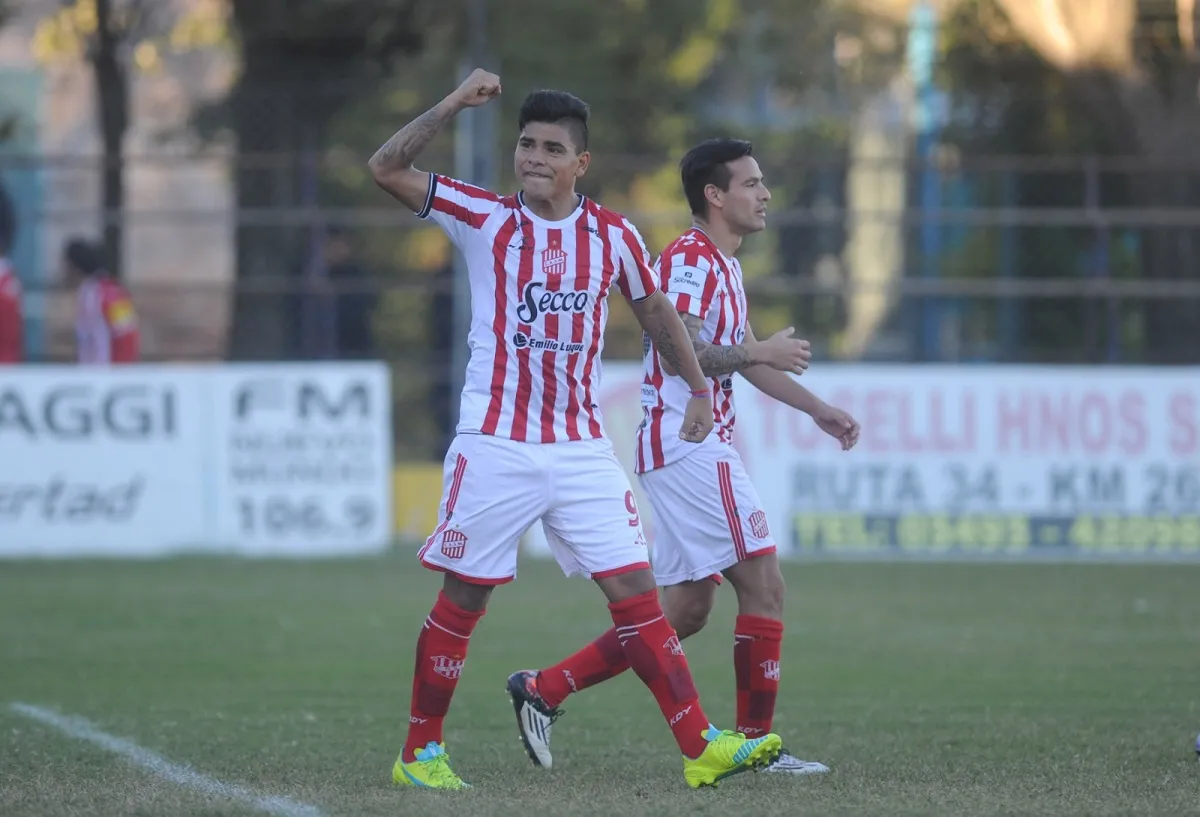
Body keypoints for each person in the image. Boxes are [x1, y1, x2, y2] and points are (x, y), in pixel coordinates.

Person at [368, 72, 783, 791]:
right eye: (525, 144)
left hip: (582, 449)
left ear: (579, 163)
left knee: (637, 594)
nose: (533, 157)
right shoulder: (484, 217)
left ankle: (701, 745)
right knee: (465, 595)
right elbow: (386, 168)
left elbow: (657, 316)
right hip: (495, 442)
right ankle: (419, 751)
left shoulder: (614, 235)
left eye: (551, 147)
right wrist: (453, 103)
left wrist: (694, 388)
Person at [506, 138, 861, 776]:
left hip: (681, 447)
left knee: (686, 610)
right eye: (751, 183)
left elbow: (747, 355)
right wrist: (757, 354)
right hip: (688, 443)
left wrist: (815, 408)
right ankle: (755, 745)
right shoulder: (691, 262)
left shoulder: (724, 263)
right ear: (715, 196)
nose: (765, 193)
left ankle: (544, 688)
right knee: (764, 585)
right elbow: (681, 353)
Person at [63, 238, 139, 364]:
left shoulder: (110, 293)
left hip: (107, 375)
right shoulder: (85, 294)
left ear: (75, 267)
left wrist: (122, 373)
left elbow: (126, 332)